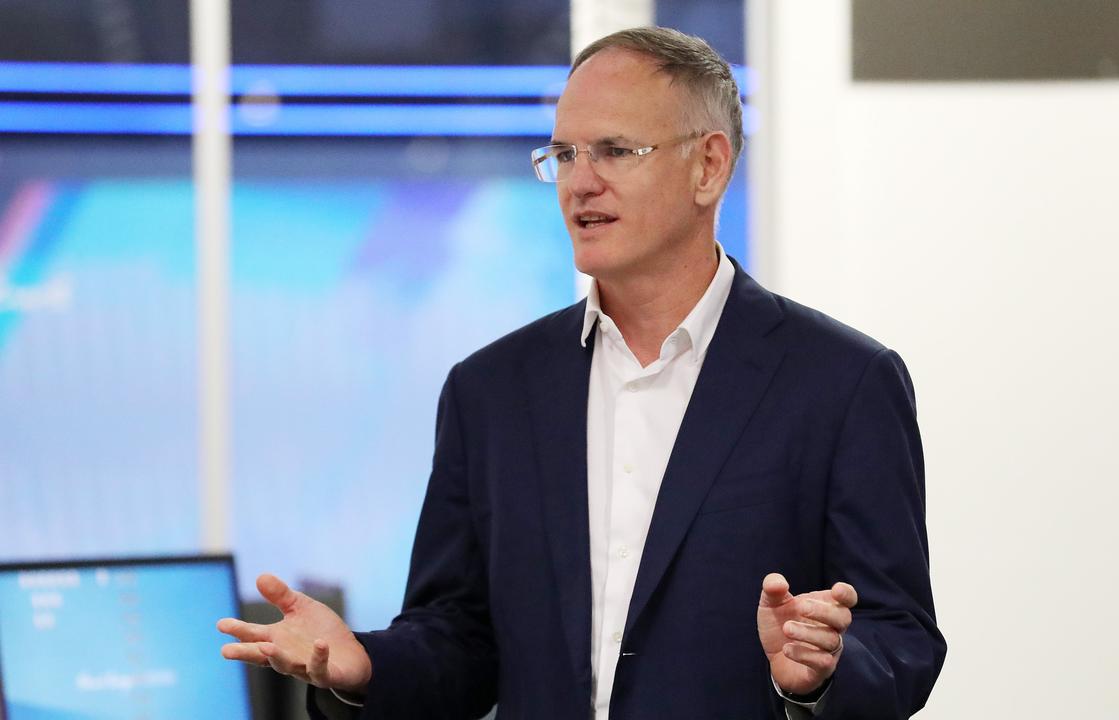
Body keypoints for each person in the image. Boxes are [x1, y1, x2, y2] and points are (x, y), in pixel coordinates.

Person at [218, 26, 945, 719]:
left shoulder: (844, 383)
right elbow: (460, 640)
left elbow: (902, 639)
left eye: (614, 151)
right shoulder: (490, 391)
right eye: (563, 155)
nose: (579, 183)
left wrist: (823, 670)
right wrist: (366, 667)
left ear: (710, 165)